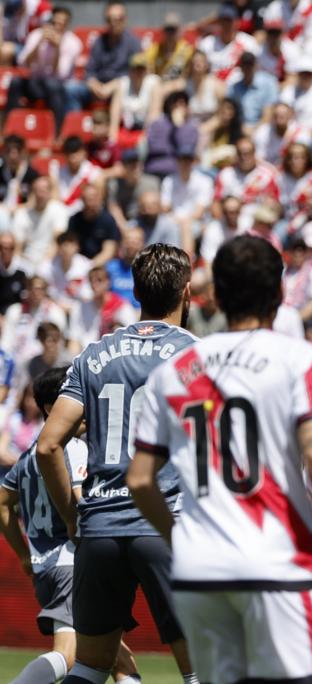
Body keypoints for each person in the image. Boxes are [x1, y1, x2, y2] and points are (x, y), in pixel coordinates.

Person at [126, 236, 312, 683]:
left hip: (198, 567)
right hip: (276, 560)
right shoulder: (299, 357)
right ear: (281, 295)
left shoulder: (173, 372)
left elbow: (141, 480)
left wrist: (177, 538)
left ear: (216, 297)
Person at [35, 244, 199, 684]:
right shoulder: (198, 356)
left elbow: (48, 446)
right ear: (188, 291)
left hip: (100, 529)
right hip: (166, 525)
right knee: (201, 668)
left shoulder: (93, 355)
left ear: (138, 292)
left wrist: (73, 515)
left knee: (89, 666)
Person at [0, 367, 140, 684]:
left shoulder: (26, 457)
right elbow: (79, 500)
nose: (86, 406)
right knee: (70, 654)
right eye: (78, 398)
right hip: (73, 563)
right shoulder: (71, 447)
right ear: (54, 407)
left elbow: (3, 503)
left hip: (44, 567)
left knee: (117, 657)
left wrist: (24, 554)